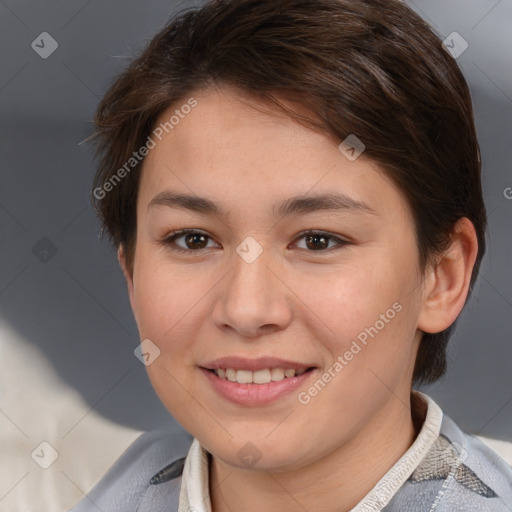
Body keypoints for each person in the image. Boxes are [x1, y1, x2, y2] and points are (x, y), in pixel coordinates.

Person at [71, 0, 512, 510]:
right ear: (130, 271)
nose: (246, 309)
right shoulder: (123, 486)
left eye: (317, 240)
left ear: (442, 276)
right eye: (193, 239)